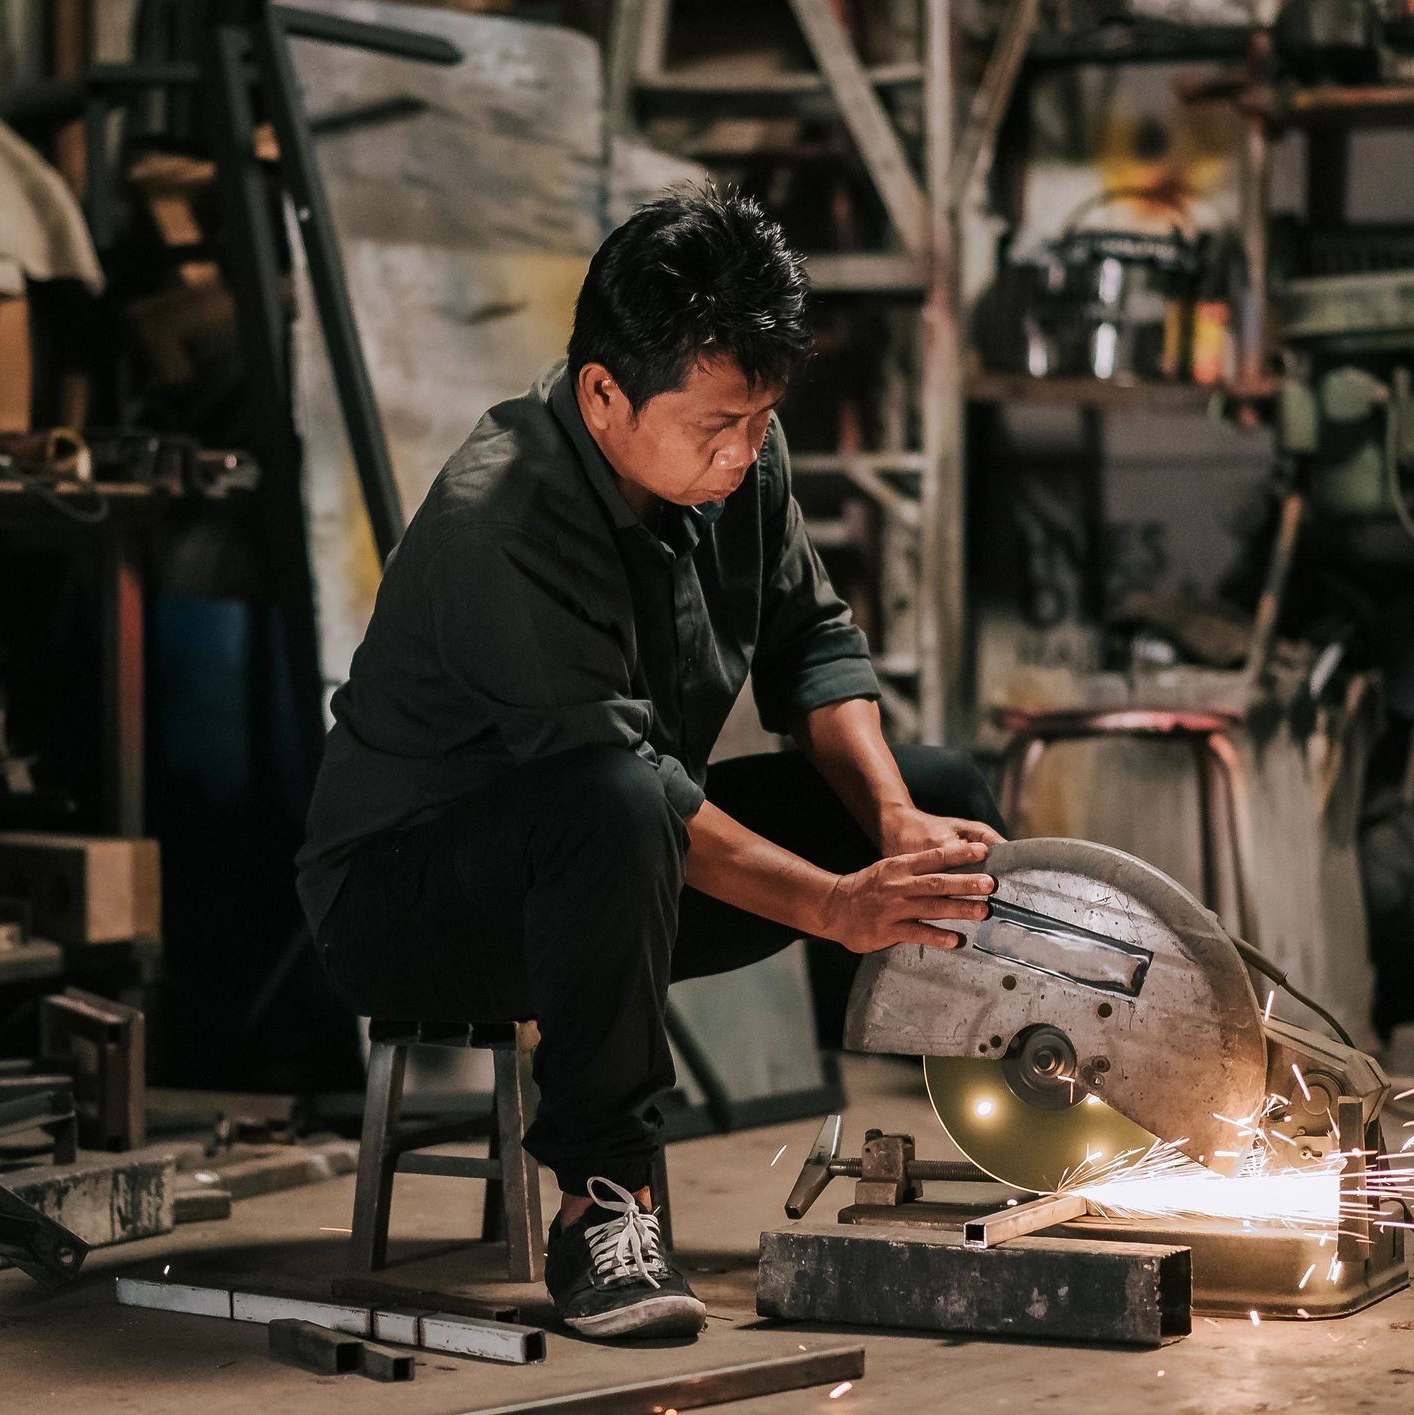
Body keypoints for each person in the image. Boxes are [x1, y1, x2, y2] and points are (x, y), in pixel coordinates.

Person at [297, 185, 1003, 1340]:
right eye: (713, 427)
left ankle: (1005, 1130)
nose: (740, 453)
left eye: (759, 420)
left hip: (610, 857)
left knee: (942, 805)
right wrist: (831, 904)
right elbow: (642, 795)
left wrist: (888, 822)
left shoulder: (740, 457)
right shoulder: (501, 524)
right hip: (408, 900)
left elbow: (812, 643)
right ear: (602, 394)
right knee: (617, 801)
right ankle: (604, 1203)